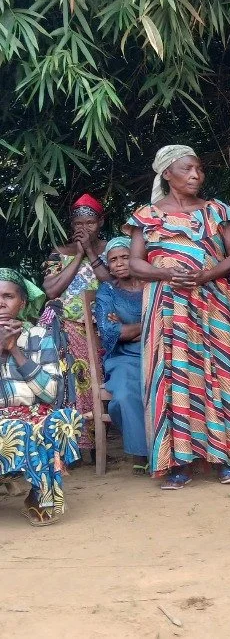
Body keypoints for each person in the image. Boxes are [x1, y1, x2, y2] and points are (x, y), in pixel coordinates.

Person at [127, 146, 230, 489]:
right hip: (166, 306)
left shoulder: (216, 210)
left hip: (212, 301)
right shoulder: (147, 215)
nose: (196, 175)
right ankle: (178, 462)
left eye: (199, 169)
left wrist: (205, 276)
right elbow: (135, 262)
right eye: (187, 169)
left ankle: (224, 458)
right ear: (167, 174)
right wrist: (166, 275)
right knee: (174, 376)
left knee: (217, 372)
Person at [0, 269, 82, 526]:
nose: (1, 303)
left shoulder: (38, 337)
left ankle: (40, 495)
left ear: (22, 302)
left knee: (60, 421)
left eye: (8, 296)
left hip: (32, 415)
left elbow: (49, 393)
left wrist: (14, 350)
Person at [40, 193, 112, 453]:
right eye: (78, 224)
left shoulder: (113, 250)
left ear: (100, 222)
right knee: (69, 368)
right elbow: (52, 291)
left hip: (103, 327)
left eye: (89, 223)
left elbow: (115, 284)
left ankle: (94, 442)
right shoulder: (58, 253)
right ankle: (75, 442)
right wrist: (78, 256)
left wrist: (91, 253)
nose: (84, 229)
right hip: (67, 328)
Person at [92, 236, 149, 473]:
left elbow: (165, 318)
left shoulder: (151, 285)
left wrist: (130, 328)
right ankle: (142, 452)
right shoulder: (107, 291)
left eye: (125, 257)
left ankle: (171, 449)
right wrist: (146, 325)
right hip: (122, 356)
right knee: (123, 395)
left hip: (156, 349)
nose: (119, 263)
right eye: (112, 260)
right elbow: (108, 331)